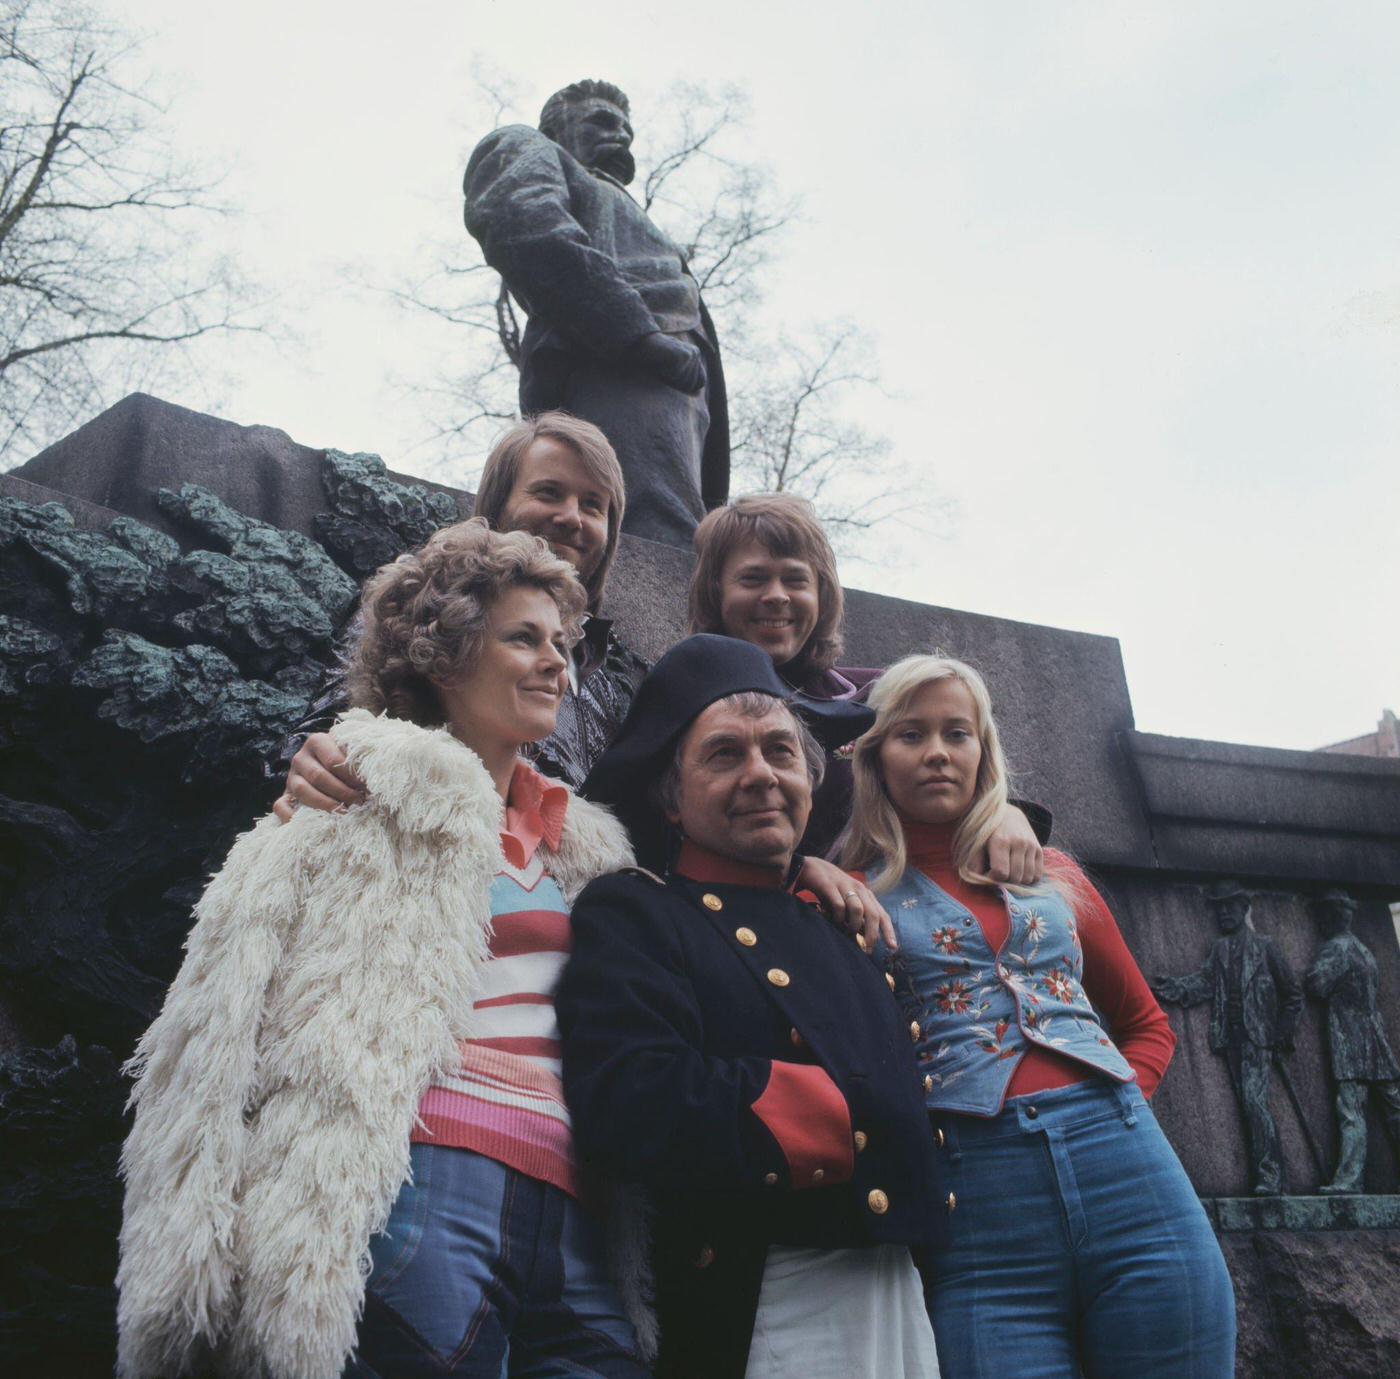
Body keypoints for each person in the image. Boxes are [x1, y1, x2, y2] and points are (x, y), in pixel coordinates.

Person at [117, 522, 649, 1379]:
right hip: (421, 1185)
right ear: (444, 657)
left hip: (582, 1212)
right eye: (524, 638)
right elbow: (207, 1033)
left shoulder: (590, 851)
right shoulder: (347, 792)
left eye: (561, 642)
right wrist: (184, 1269)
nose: (558, 662)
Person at [557, 634, 946, 1379]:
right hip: (763, 1296)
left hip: (899, 1289)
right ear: (671, 797)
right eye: (725, 754)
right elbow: (629, 1098)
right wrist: (854, 1115)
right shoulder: (636, 911)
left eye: (780, 750)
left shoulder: (841, 918)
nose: (761, 774)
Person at [840, 653, 1235, 1379]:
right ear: (875, 757)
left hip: (1134, 1177)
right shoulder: (845, 896)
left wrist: (1116, 1105)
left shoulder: (1057, 876)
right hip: (980, 1209)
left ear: (983, 752)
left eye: (957, 733)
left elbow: (1148, 1024)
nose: (936, 752)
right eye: (910, 734)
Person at [278, 411, 648, 810]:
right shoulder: (420, 608)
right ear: (498, 501)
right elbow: (332, 728)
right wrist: (313, 767)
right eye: (548, 492)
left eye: (593, 505)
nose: (571, 516)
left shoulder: (624, 674)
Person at [687, 492, 1047, 875]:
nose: (776, 596)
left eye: (795, 579)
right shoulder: (685, 702)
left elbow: (964, 774)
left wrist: (1005, 812)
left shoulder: (874, 696)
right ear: (715, 589)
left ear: (821, 594)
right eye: (753, 578)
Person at [465, 79, 728, 547]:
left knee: (673, 525)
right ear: (557, 128)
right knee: (637, 524)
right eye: (602, 121)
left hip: (678, 383)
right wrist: (639, 337)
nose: (621, 136)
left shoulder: (621, 202)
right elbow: (525, 222)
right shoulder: (527, 147)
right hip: (612, 361)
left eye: (627, 129)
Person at [1152, 878, 1304, 1195]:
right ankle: (1267, 1172)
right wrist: (1173, 988)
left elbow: (1293, 995)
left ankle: (1272, 1175)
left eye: (1230, 907)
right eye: (1219, 908)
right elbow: (1205, 983)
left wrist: (1281, 1033)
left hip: (1260, 1037)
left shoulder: (1266, 947)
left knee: (1254, 1103)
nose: (1224, 913)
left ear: (1243, 908)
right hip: (1231, 1037)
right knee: (1248, 1104)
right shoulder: (1220, 949)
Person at [1304, 888, 1400, 1194]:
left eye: (1321, 916)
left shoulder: (1337, 948)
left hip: (1352, 1043)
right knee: (1394, 1109)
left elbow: (1317, 986)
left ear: (1330, 917)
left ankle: (1349, 1180)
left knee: (1351, 1111)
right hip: (1376, 1041)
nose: (1318, 922)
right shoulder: (1363, 949)